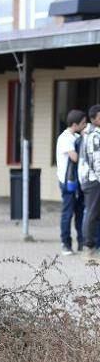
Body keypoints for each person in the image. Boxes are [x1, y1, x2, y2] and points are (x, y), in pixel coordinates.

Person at [56, 109, 87, 255]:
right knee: (68, 213)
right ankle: (65, 243)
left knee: (80, 212)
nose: (85, 125)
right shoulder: (65, 138)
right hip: (68, 182)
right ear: (75, 124)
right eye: (83, 123)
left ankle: (81, 242)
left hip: (78, 181)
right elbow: (75, 157)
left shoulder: (74, 136)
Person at [78, 105, 100, 256]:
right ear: (96, 118)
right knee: (92, 213)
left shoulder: (90, 133)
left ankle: (91, 247)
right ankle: (89, 248)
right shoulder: (94, 135)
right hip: (94, 180)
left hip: (91, 179)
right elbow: (96, 161)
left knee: (93, 213)